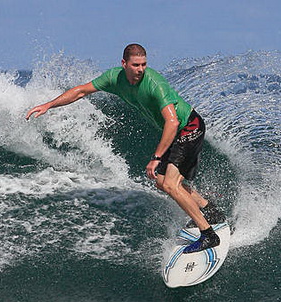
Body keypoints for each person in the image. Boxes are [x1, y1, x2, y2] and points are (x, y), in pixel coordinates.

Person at [26, 44, 225, 253]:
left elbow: (173, 122)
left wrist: (156, 157)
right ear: (124, 64)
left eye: (144, 64)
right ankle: (208, 210)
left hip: (188, 127)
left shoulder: (155, 83)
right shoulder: (115, 78)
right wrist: (49, 105)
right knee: (160, 181)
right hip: (176, 132)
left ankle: (208, 234)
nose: (141, 69)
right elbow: (80, 91)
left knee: (170, 185)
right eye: (136, 65)